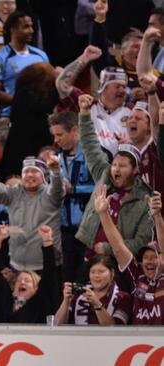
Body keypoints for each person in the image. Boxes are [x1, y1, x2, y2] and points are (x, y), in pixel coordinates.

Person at [75, 94, 152, 258]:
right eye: (115, 164)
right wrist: (84, 114)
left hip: (122, 264)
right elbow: (90, 144)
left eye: (123, 166)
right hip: (89, 256)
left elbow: (141, 241)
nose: (115, 169)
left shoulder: (145, 198)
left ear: (135, 170)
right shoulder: (104, 174)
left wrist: (109, 248)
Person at [0, 151, 65, 272]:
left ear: (43, 175)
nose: (29, 174)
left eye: (35, 171)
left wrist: (56, 172)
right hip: (17, 266)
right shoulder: (14, 193)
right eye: (26, 171)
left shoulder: (51, 195)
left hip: (48, 266)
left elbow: (57, 189)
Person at [93, 185, 164, 324]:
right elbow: (119, 248)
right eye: (145, 257)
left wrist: (157, 215)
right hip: (137, 341)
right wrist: (103, 214)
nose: (149, 261)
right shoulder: (137, 277)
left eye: (154, 257)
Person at [49, 111, 95, 282]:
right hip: (65, 232)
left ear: (75, 130)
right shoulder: (56, 158)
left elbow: (105, 187)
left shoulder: (94, 156)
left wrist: (74, 190)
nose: (56, 140)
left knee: (88, 280)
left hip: (89, 231)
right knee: (68, 283)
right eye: (54, 135)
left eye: (60, 134)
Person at [0, 225, 60, 323]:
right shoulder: (3, 302)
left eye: (27, 281)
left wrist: (47, 242)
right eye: (18, 280)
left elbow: (49, 275)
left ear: (36, 288)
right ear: (13, 289)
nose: (22, 282)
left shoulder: (40, 302)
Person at [0, 11, 49, 117]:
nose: (31, 31)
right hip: (12, 116)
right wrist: (20, 103)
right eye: (26, 27)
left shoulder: (41, 55)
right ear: (13, 29)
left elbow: (49, 84)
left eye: (31, 26)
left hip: (40, 115)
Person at [55, 254, 132, 325]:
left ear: (112, 273)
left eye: (101, 271)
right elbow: (56, 324)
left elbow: (117, 329)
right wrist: (66, 302)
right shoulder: (79, 294)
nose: (96, 275)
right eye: (92, 272)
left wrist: (97, 304)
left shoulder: (124, 298)